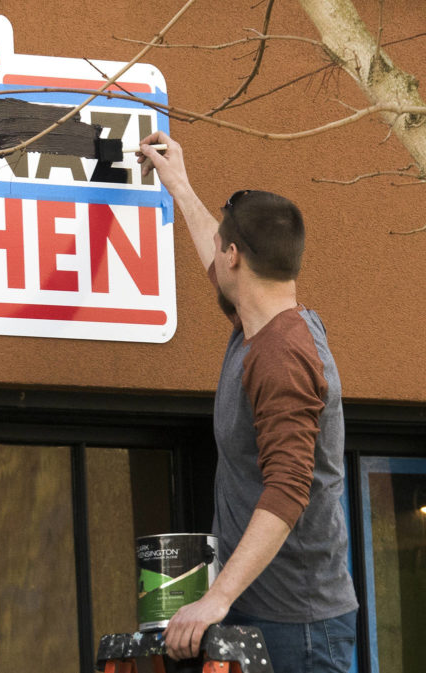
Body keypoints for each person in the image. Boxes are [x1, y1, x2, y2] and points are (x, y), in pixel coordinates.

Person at [137, 132, 358, 673]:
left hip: (297, 627)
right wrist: (179, 187)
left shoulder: (280, 356)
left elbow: (289, 489)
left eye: (222, 246)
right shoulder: (260, 326)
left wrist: (216, 598)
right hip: (262, 612)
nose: (215, 253)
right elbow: (217, 265)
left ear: (235, 256)